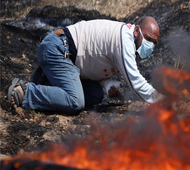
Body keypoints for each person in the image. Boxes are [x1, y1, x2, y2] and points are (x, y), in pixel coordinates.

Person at [7, 16, 166, 113]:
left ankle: (48, 82)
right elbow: (136, 81)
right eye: (148, 39)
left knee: (95, 95)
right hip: (58, 50)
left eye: (154, 42)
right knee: (75, 101)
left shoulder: (126, 39)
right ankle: (27, 91)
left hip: (68, 57)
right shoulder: (124, 40)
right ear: (137, 30)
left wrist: (107, 84)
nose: (150, 45)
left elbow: (93, 58)